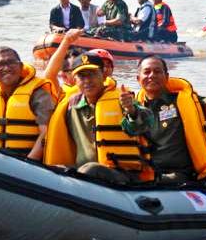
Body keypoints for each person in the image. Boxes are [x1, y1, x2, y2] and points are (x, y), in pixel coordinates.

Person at [44, 52, 152, 184]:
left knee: (91, 169)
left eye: (92, 74)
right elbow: (49, 79)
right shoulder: (70, 106)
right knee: (54, 171)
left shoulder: (123, 99)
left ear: (103, 74)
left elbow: (145, 123)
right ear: (74, 80)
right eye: (82, 76)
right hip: (83, 173)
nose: (87, 81)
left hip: (122, 174)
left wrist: (131, 110)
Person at [123, 55, 206, 182]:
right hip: (149, 172)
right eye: (147, 72)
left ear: (167, 76)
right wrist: (129, 110)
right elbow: (131, 130)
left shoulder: (183, 100)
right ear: (138, 78)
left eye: (157, 72)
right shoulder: (134, 107)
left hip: (180, 174)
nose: (152, 75)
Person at [43, 28, 84, 98]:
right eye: (75, 70)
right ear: (64, 76)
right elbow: (49, 75)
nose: (84, 76)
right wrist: (67, 41)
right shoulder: (61, 92)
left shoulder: (95, 87)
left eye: (83, 70)